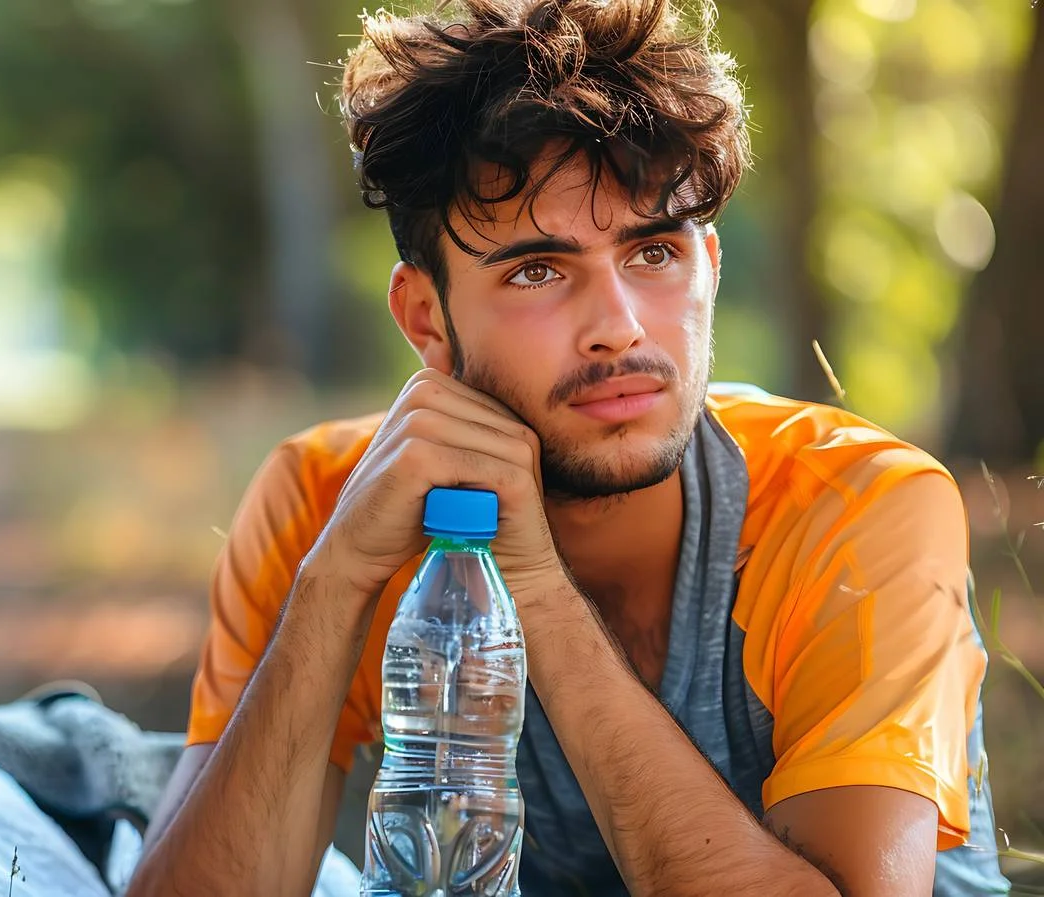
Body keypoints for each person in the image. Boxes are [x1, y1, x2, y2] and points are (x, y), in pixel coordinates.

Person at [126, 0, 1010, 894]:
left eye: (653, 253)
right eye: (539, 271)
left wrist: (539, 588)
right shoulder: (328, 505)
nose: (618, 327)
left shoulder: (856, 506)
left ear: (708, 268)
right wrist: (336, 581)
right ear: (426, 318)